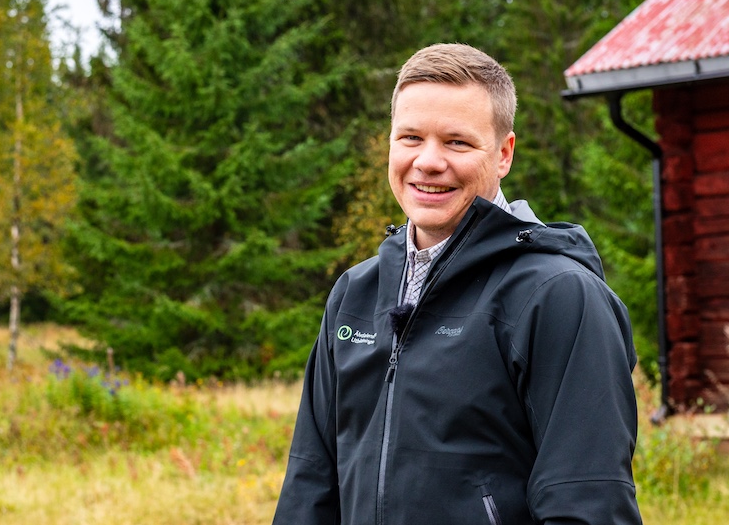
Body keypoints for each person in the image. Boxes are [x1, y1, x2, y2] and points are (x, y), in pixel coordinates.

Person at [272, 43, 642, 524]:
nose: (428, 161)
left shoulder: (558, 297)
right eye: (410, 138)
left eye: (457, 142)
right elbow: (309, 485)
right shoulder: (355, 294)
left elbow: (589, 503)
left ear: (504, 154)